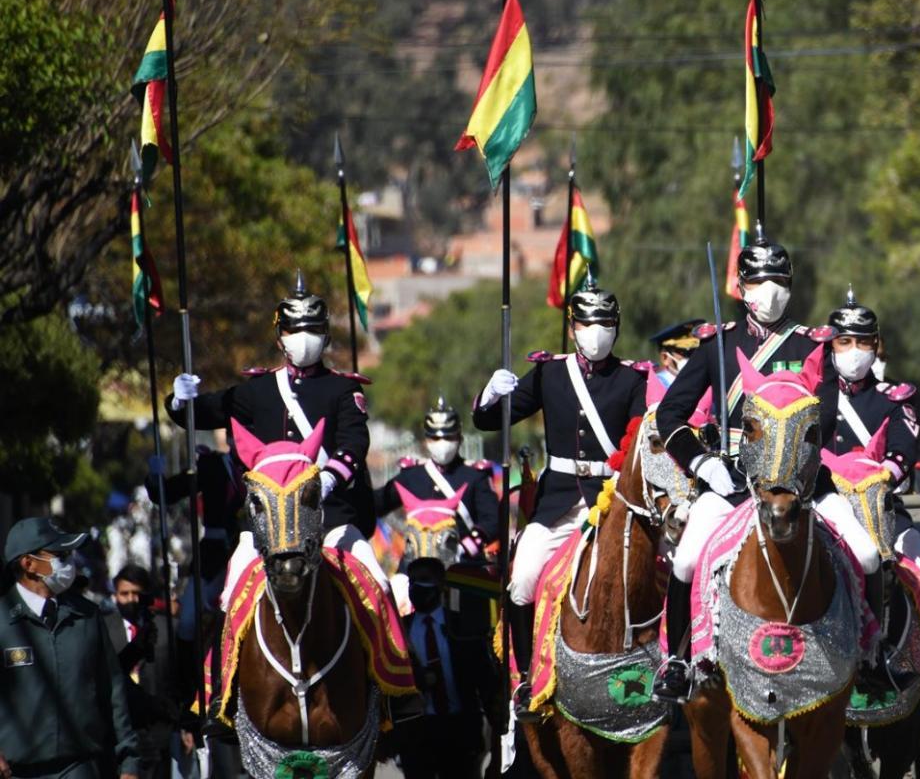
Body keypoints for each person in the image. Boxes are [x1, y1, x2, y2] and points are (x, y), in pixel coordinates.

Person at [651, 232, 886, 704]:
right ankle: (678, 661)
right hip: (733, 479)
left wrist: (795, 464)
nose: (770, 289)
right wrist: (701, 464)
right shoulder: (717, 345)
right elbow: (669, 414)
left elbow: (826, 413)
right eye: (759, 280)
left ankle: (870, 656)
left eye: (779, 279)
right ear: (741, 286)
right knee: (687, 557)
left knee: (867, 554)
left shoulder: (813, 345)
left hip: (803, 484)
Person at [472, 281, 648, 718]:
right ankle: (527, 677)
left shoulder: (632, 378)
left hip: (611, 503)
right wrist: (492, 393)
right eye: (589, 322)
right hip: (557, 503)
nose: (597, 331)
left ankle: (664, 667)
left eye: (606, 322)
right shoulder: (551, 373)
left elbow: (643, 436)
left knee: (656, 571)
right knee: (523, 578)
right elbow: (489, 420)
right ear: (573, 328)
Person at [165, 271, 386, 602]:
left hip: (332, 521)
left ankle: (396, 655)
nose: (304, 337)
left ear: (326, 336)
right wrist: (181, 399)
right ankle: (222, 657)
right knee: (229, 597)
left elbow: (354, 444)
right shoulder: (259, 390)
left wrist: (327, 480)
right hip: (269, 526)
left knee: (379, 585)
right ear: (279, 337)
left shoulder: (343, 388)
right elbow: (202, 413)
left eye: (313, 329)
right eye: (294, 329)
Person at [821, 289, 920, 728]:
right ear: (829, 346)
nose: (853, 352)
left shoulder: (895, 398)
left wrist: (885, 473)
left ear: (877, 346)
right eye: (843, 343)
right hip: (824, 516)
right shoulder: (811, 397)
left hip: (884, 517)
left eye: (863, 343)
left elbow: (904, 451)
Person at [0, 517, 140, 779]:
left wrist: (129, 760)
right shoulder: (3, 622)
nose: (68, 562)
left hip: (79, 767)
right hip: (16, 771)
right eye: (60, 554)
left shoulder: (87, 617)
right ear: (28, 564)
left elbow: (114, 691)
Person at [396, 557, 499, 778]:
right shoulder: (401, 630)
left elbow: (483, 677)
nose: (417, 587)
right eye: (412, 581)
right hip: (419, 732)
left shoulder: (461, 625)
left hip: (460, 728)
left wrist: (498, 727)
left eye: (424, 580)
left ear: (441, 584)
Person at [376, 398, 498, 544]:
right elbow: (376, 504)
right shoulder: (411, 476)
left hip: (462, 562)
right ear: (426, 441)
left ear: (460, 439)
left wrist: (468, 546)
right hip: (417, 561)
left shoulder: (475, 476)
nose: (442, 443)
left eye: (448, 437)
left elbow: (492, 521)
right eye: (435, 438)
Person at [102, 567, 184, 779]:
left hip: (160, 727)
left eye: (136, 593)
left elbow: (183, 675)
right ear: (115, 595)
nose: (131, 599)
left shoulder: (169, 628)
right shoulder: (102, 628)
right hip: (121, 728)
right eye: (124, 593)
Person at [648, 319, 705, 388]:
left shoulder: (707, 382)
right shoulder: (655, 387)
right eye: (685, 353)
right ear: (665, 358)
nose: (692, 357)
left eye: (695, 351)